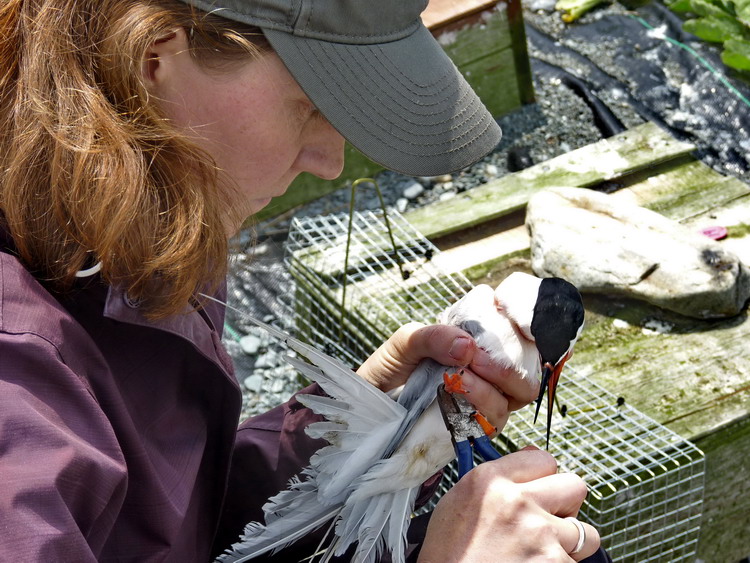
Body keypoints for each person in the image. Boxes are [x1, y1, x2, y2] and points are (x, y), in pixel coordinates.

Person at [0, 0, 606, 561]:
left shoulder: (144, 216)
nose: (330, 159)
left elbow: (171, 524)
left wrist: (361, 433)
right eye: (313, 103)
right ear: (154, 57)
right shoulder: (20, 406)